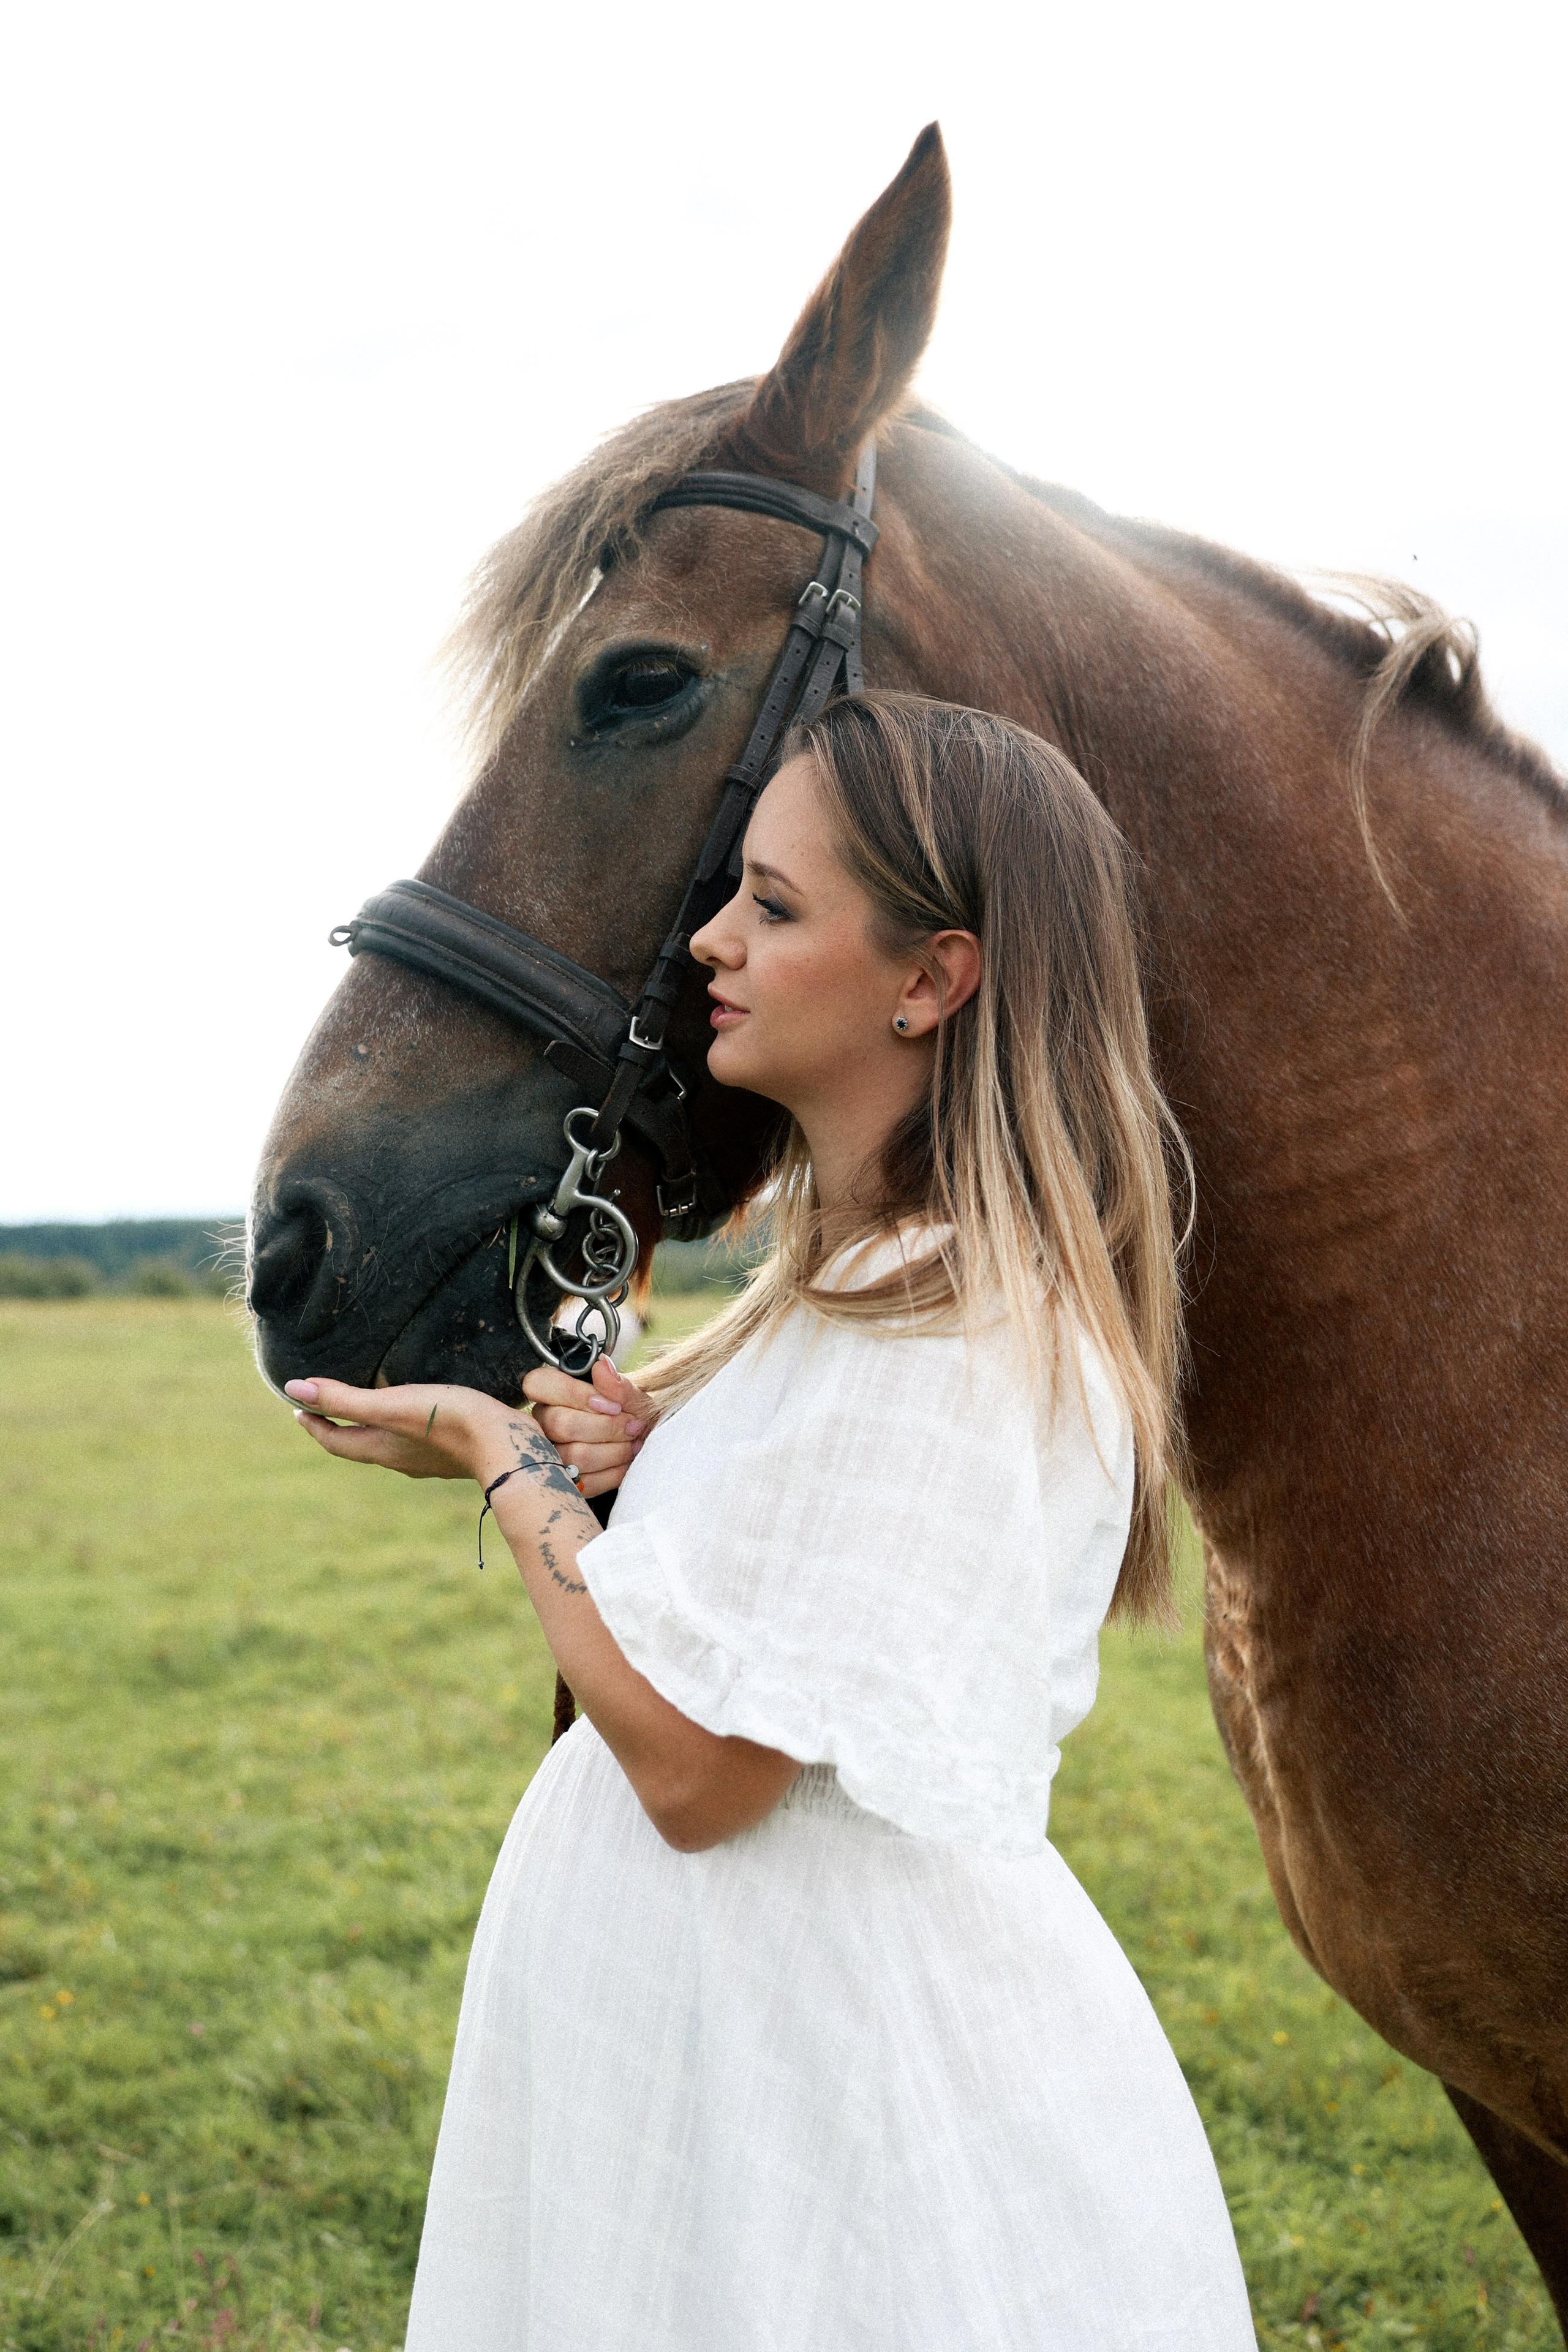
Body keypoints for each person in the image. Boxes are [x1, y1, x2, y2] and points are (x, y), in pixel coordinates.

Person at [285, 692, 1256, 2350]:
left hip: (827, 2104)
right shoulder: (858, 1295)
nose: (712, 943)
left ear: (932, 978)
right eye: (739, 889)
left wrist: (499, 1464)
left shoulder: (951, 1329)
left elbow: (700, 1768)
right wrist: (649, 1464)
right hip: (737, 2076)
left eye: (775, 907)